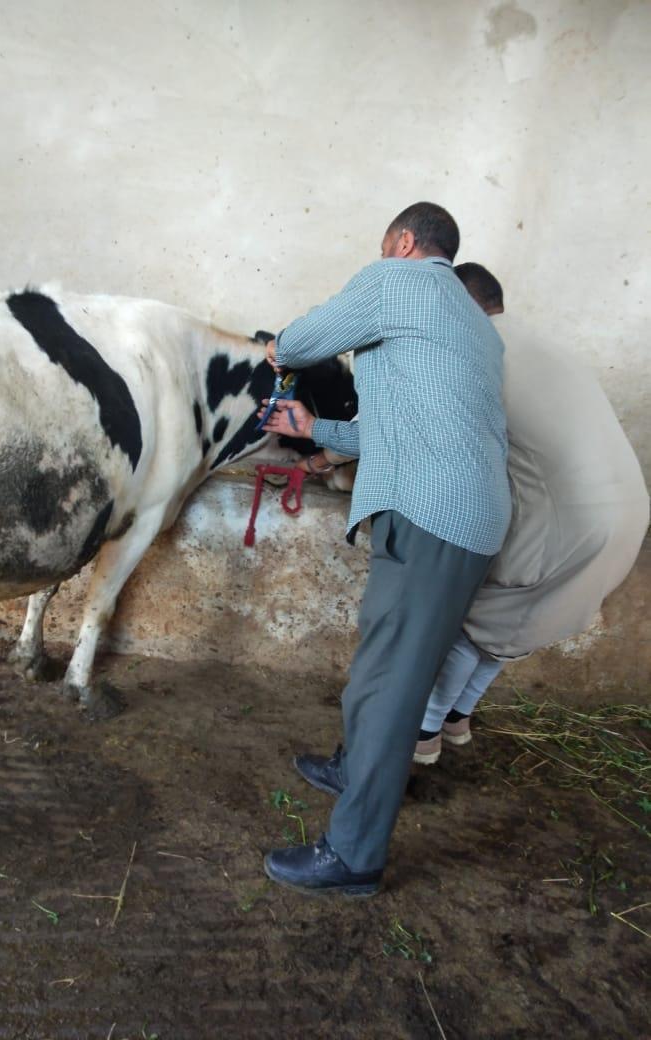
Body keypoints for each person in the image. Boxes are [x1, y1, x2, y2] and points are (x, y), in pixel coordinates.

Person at [290, 264, 649, 767]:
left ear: (460, 304)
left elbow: (389, 430)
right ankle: (456, 717)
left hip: (559, 524)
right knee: (516, 621)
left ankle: (423, 731)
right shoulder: (543, 344)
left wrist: (316, 449)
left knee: (464, 615)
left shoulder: (473, 350)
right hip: (628, 517)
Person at [259, 203, 512, 896]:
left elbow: (304, 339)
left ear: (403, 242)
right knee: (384, 661)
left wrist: (279, 348)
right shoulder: (474, 325)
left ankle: (354, 856)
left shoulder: (400, 281)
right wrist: (316, 428)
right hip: (462, 515)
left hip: (433, 516)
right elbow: (398, 429)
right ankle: (354, 767)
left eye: (383, 247)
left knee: (395, 682)